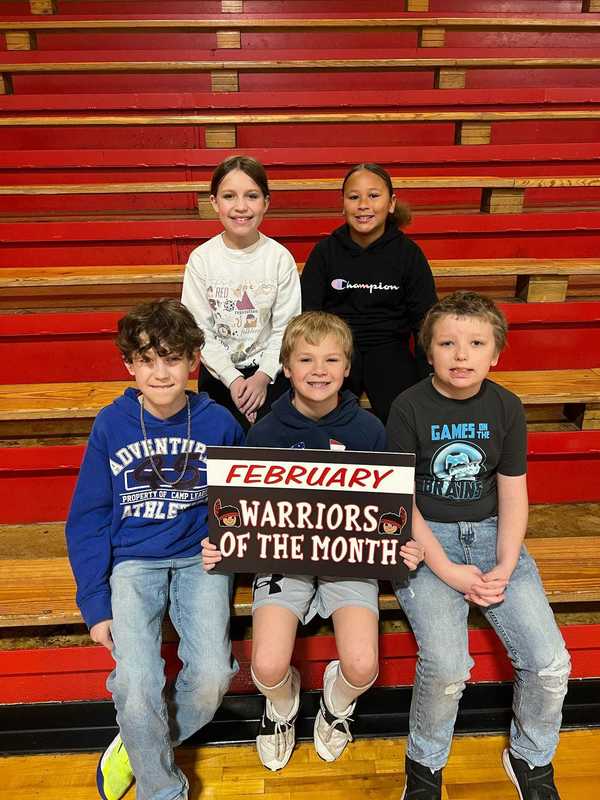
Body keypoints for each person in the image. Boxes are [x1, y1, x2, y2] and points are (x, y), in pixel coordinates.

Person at [203, 310, 425, 772]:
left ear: (348, 368)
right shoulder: (266, 430)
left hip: (350, 558)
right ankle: (282, 706)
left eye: (331, 360)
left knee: (362, 666)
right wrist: (226, 542)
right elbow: (244, 509)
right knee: (266, 667)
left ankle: (336, 704)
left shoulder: (369, 429)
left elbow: (391, 505)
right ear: (286, 367)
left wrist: (402, 541)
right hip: (285, 558)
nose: (319, 370)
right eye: (306, 359)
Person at [386, 292, 571, 800]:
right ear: (428, 352)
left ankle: (531, 757)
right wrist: (447, 569)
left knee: (550, 662)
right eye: (447, 343)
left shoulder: (506, 406)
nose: (461, 354)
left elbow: (512, 492)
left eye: (475, 343)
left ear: (496, 354)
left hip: (493, 534)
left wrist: (506, 564)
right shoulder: (407, 406)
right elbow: (401, 499)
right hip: (427, 539)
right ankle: (424, 766)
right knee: (447, 667)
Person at [65, 299, 245, 800]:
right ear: (129, 365)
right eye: (147, 360)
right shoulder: (111, 424)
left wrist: (226, 538)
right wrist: (95, 602)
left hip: (197, 560)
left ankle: (139, 742)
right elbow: (88, 517)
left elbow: (242, 502)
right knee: (135, 684)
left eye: (172, 359)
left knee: (213, 677)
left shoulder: (219, 423)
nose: (160, 373)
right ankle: (161, 788)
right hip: (133, 563)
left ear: (194, 361)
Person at [301, 162, 437, 423]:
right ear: (343, 205)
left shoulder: (408, 254)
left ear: (391, 203)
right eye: (354, 197)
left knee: (403, 416)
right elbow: (309, 316)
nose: (363, 205)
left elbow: (425, 321)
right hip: (336, 349)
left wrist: (430, 375)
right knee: (324, 415)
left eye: (374, 196)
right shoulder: (325, 252)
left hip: (389, 349)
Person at [182, 154, 301, 430]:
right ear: (214, 202)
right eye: (229, 196)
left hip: (270, 371)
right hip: (218, 373)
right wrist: (232, 378)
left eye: (252, 196)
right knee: (223, 435)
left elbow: (286, 329)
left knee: (267, 437)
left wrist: (262, 377)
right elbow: (198, 330)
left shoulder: (279, 258)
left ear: (266, 202)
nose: (241, 207)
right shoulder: (202, 260)